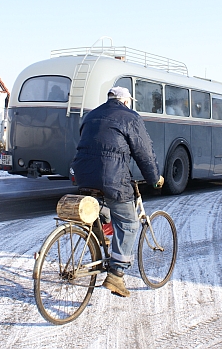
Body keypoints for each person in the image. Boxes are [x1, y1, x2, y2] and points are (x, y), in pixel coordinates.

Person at [71, 86, 164, 297]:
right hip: (112, 179)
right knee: (129, 222)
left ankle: (100, 237)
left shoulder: (91, 115)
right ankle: (116, 275)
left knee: (102, 207)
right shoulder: (130, 117)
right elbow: (144, 153)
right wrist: (154, 178)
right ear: (126, 101)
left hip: (83, 175)